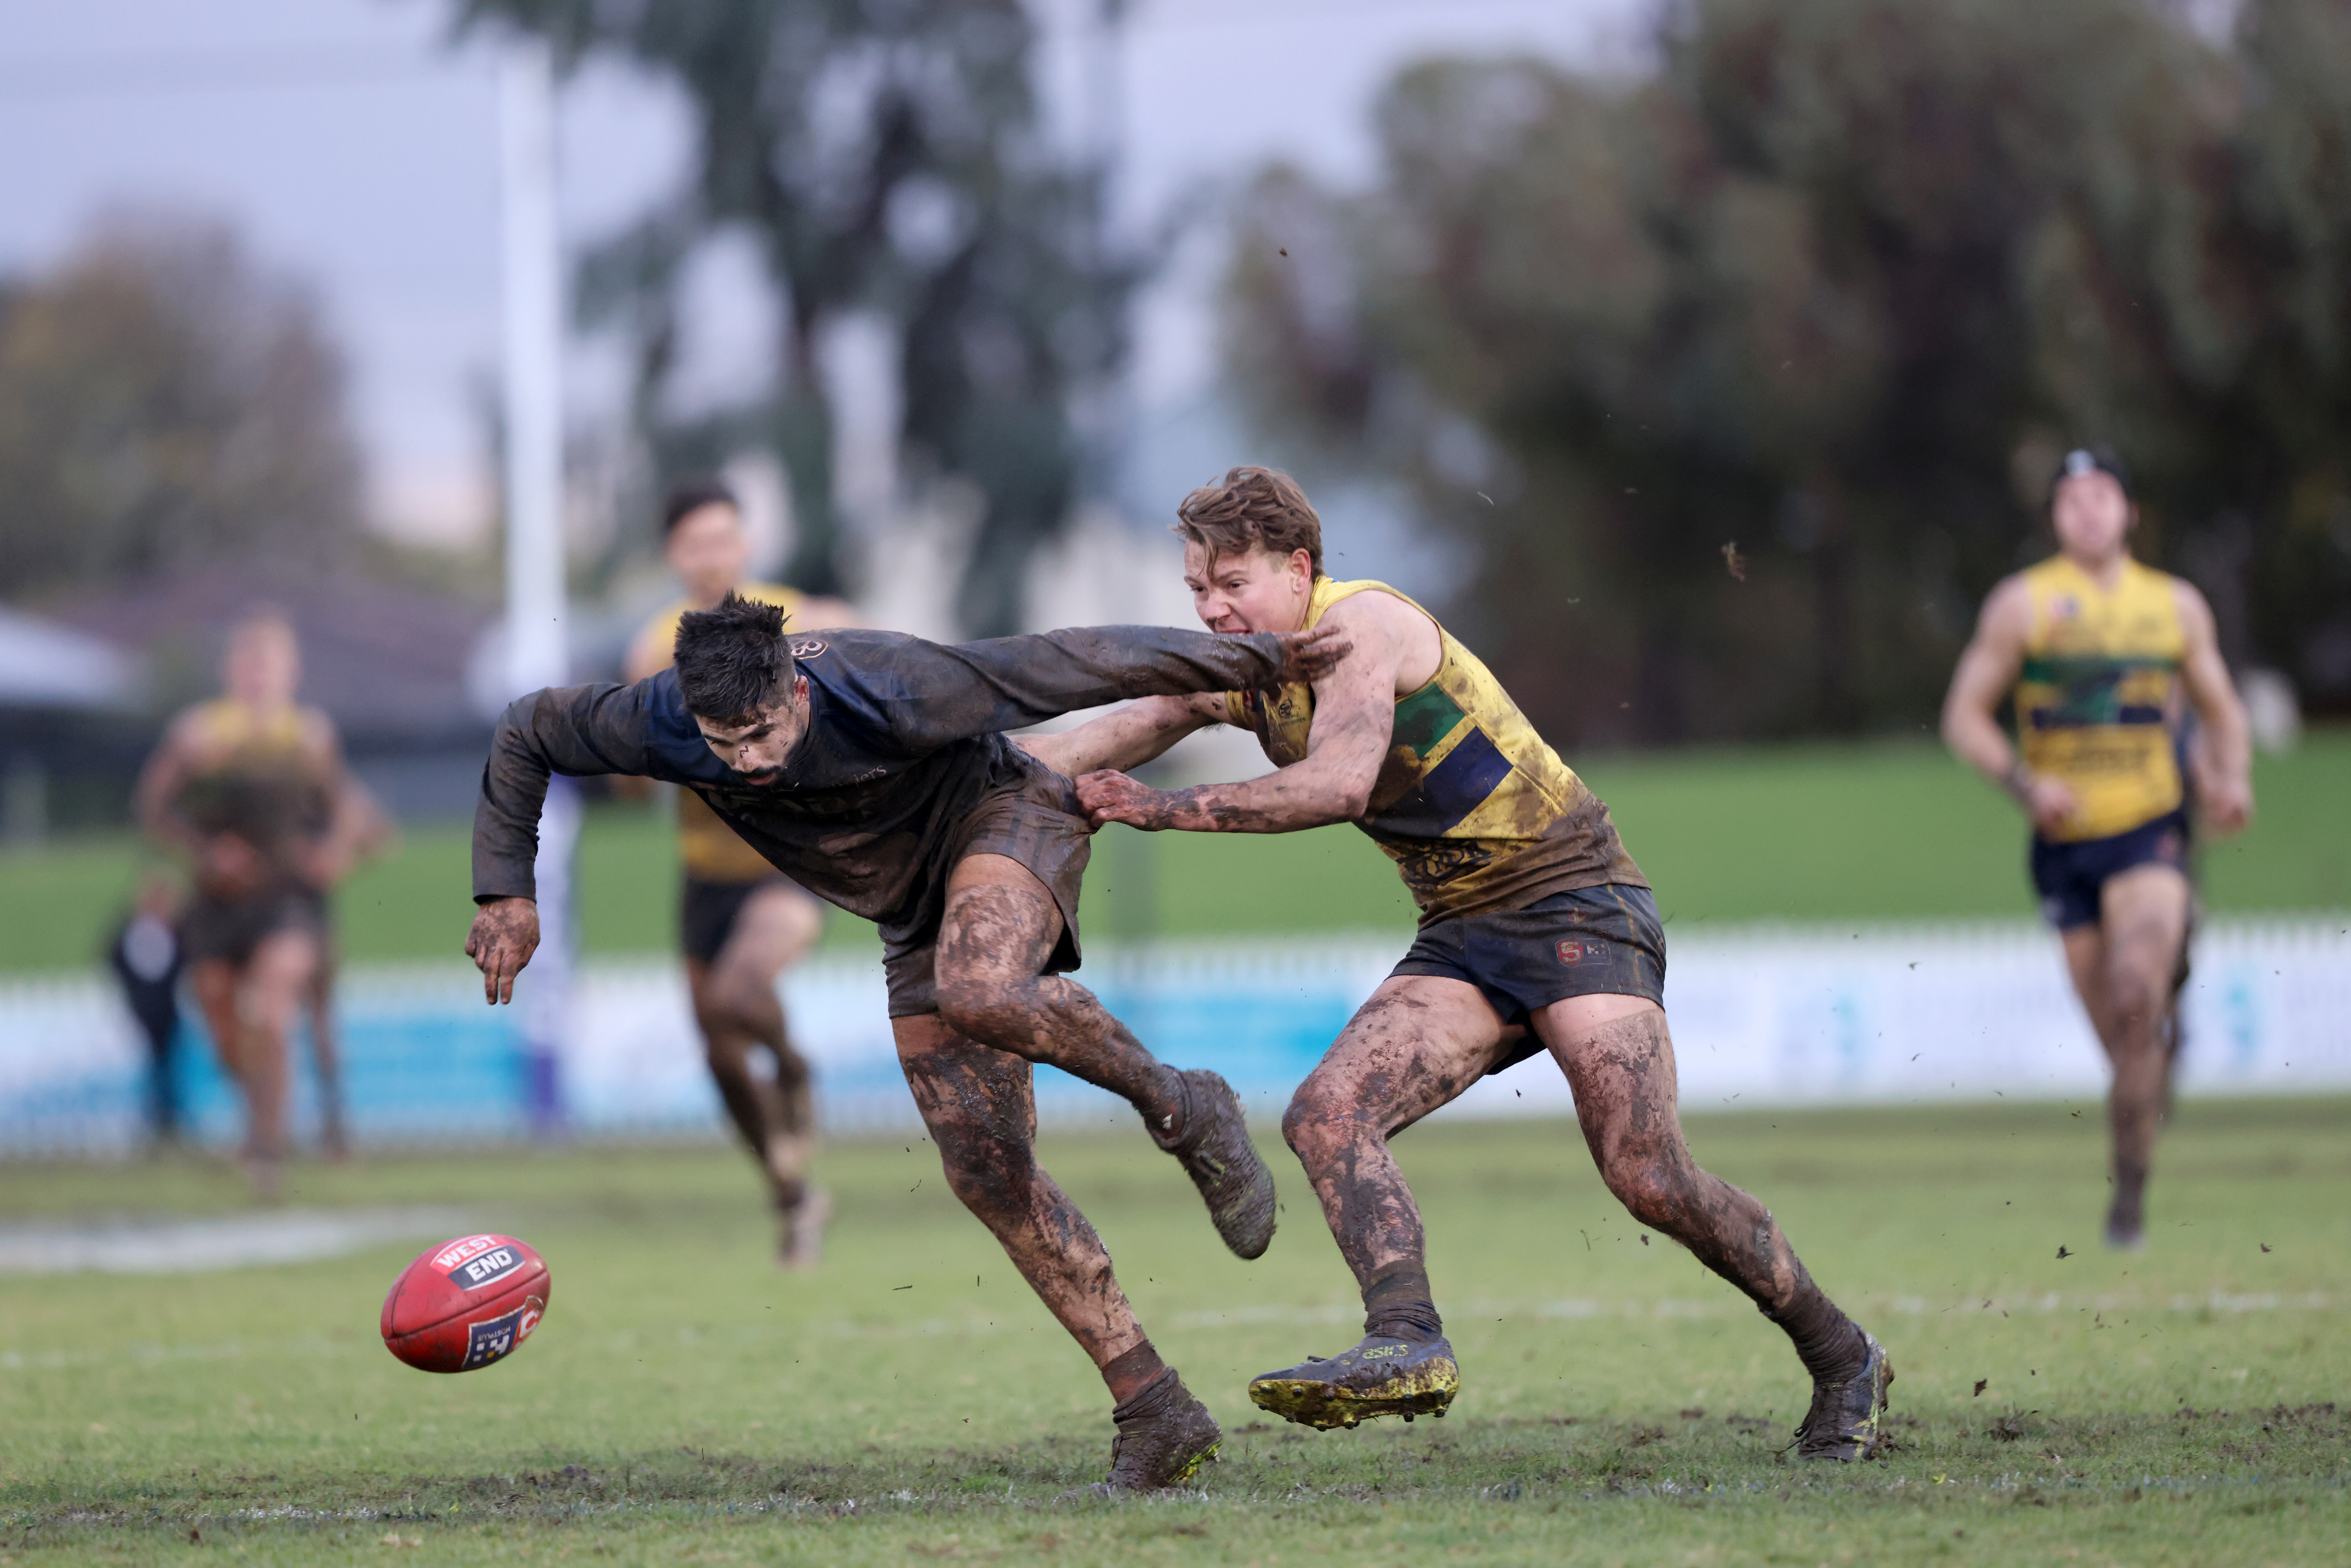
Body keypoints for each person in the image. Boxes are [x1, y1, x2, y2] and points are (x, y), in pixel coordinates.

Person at [1037, 467, 1892, 1459]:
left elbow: (1340, 782)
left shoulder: (1361, 628)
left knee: (1647, 1172)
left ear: (1299, 567)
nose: (1212, 607)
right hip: (1464, 934)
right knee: (1325, 1112)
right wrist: (970, 775)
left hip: (1579, 900)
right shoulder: (1248, 672)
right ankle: (1406, 1340)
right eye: (1196, 589)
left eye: (1232, 582)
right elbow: (1113, 730)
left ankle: (1845, 1356)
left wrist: (1168, 808)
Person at [464, 594, 1349, 1492]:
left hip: (1004, 819)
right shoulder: (660, 719)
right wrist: (506, 890)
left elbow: (1069, 659)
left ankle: (1182, 1101)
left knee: (982, 987)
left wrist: (1262, 660)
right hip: (914, 913)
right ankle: (1155, 1409)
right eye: (724, 744)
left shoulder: (888, 683)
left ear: (796, 691)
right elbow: (529, 727)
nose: (749, 761)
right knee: (985, 1170)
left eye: (764, 732)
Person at [1942, 447, 2253, 1249]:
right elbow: (1965, 718)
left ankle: (2130, 1201)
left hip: (2149, 830)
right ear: (2056, 518)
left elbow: (2222, 710)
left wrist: (2231, 778)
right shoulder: (2024, 606)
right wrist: (2024, 783)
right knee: (2126, 1044)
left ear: (2130, 512)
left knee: (2137, 993)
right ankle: (2137, 1156)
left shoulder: (2174, 607)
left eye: (2103, 496)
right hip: (2063, 845)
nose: (2088, 511)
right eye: (2072, 499)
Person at [622, 479, 860, 1268]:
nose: (712, 555)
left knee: (738, 992)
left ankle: (793, 1069)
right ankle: (793, 1198)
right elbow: (625, 776)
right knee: (720, 1053)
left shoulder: (788, 618)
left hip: (784, 861)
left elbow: (861, 642)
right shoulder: (657, 646)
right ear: (675, 557)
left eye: (724, 538)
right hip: (703, 875)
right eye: (696, 543)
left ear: (745, 544)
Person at [134, 610, 388, 1195]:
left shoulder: (309, 736)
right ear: (230, 670)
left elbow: (348, 806)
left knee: (271, 1008)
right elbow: (153, 807)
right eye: (249, 664)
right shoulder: (199, 734)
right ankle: (264, 1113)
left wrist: (337, 852)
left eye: (269, 665)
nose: (258, 676)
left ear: (291, 672)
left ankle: (270, 1149)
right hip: (219, 903)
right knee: (223, 1014)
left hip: (288, 897)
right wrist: (203, 852)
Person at [106, 870, 186, 1150]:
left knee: (167, 1068)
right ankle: (157, 1121)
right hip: (145, 1012)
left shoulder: (173, 931)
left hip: (167, 1011)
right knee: (156, 1069)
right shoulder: (133, 933)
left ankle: (169, 1120)